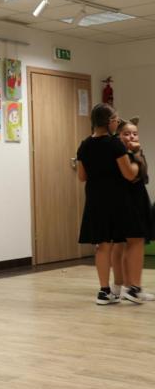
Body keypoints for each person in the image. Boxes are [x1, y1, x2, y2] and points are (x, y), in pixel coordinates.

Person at [76, 104, 140, 305]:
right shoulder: (115, 144)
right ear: (109, 121)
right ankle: (127, 287)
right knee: (121, 243)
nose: (117, 123)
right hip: (116, 200)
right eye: (116, 120)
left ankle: (104, 291)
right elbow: (129, 174)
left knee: (102, 246)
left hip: (95, 200)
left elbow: (82, 176)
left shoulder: (84, 145)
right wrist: (137, 162)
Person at [114, 117, 153, 302]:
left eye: (134, 134)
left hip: (136, 199)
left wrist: (138, 153)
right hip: (128, 202)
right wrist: (137, 154)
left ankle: (129, 286)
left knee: (129, 244)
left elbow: (145, 177)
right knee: (134, 241)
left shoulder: (133, 153)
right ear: (118, 136)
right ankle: (132, 288)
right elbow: (136, 175)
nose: (131, 137)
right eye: (126, 133)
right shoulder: (123, 155)